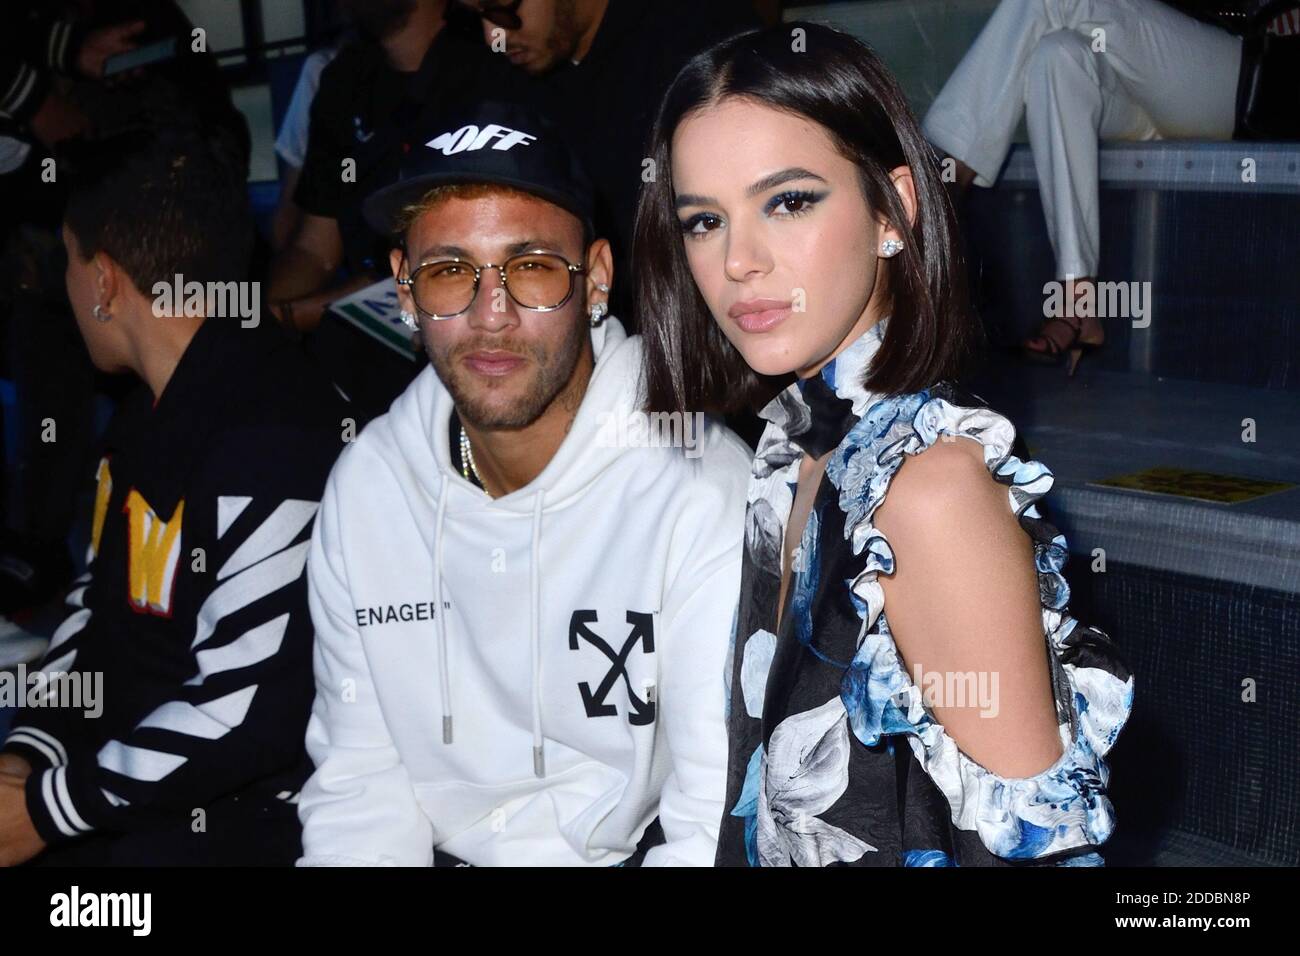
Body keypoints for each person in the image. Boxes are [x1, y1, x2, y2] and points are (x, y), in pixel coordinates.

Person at [635, 21, 1135, 866]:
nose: (739, 261)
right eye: (704, 221)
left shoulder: (929, 491)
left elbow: (1039, 852)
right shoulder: (796, 446)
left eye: (788, 201)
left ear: (892, 211)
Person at [297, 100, 751, 866]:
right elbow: (358, 792)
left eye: (532, 267)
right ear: (403, 290)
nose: (492, 315)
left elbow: (713, 828)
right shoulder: (367, 489)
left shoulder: (697, 488)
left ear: (597, 278)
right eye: (450, 274)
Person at [0, 125, 349, 866]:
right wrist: (28, 753)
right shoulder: (141, 418)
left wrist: (48, 810)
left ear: (102, 282)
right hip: (126, 787)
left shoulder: (276, 429)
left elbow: (245, 714)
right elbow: (95, 609)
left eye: (68, 261)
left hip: (249, 818)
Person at [921, 0, 1296, 372]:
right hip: (1162, 89)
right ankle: (1078, 299)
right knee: (1057, 58)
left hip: (1249, 77)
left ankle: (942, 189)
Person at [454, 0, 761, 326]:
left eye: (503, 9)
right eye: (478, 17)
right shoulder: (505, 81)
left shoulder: (705, 43)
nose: (494, 35)